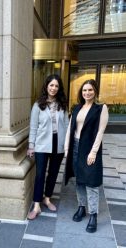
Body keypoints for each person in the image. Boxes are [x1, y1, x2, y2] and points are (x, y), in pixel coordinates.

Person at [64, 79, 108, 233]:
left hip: (89, 149)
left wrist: (93, 152)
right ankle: (81, 207)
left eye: (90, 90)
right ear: (81, 92)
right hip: (75, 147)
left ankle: (93, 215)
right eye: (84, 90)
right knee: (79, 181)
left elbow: (100, 132)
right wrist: (67, 148)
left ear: (95, 91)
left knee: (92, 183)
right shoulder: (77, 108)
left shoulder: (101, 108)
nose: (87, 93)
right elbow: (71, 128)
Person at [27, 74, 69, 220]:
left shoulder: (62, 104)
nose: (54, 88)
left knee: (53, 173)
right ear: (46, 86)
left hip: (58, 142)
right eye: (51, 85)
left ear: (59, 88)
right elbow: (33, 126)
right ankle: (37, 204)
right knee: (40, 175)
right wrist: (31, 145)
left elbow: (67, 125)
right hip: (41, 143)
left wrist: (67, 145)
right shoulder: (38, 104)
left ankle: (47, 198)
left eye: (56, 86)